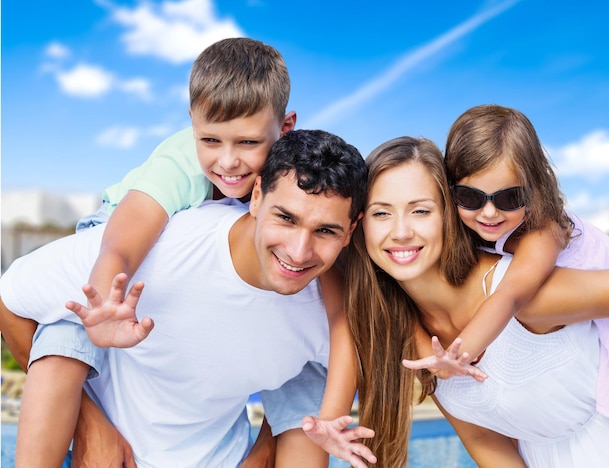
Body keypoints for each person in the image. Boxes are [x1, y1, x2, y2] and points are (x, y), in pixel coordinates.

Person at [13, 37, 367, 466]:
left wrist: (328, 416)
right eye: (211, 141)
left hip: (245, 263)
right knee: (66, 337)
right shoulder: (179, 166)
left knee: (307, 350)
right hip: (116, 234)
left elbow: (337, 305)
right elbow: (120, 248)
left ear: (285, 127)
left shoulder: (296, 191)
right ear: (193, 127)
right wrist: (106, 304)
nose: (229, 162)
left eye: (249, 144)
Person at [344, 136, 609, 467]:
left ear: (448, 213)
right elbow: (483, 440)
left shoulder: (522, 294)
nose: (401, 231)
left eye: (420, 210)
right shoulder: (413, 335)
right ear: (361, 225)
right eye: (381, 213)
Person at [409, 104, 609, 424]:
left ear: (535, 188)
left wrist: (458, 355)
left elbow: (512, 294)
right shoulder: (464, 234)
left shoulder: (545, 229)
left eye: (509, 198)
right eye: (470, 197)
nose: (489, 213)